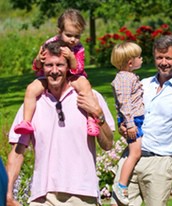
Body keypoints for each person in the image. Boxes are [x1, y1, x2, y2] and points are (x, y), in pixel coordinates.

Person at [5, 40, 115, 205]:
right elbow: (17, 151)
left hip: (81, 194)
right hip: (42, 196)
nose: (54, 71)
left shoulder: (89, 97)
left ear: (68, 67)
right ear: (43, 67)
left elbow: (108, 144)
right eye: (49, 65)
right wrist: (7, 194)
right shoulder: (32, 104)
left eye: (60, 65)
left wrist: (98, 114)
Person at [110, 35, 172, 206]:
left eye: (168, 58)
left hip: (159, 164)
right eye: (159, 58)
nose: (163, 62)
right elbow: (125, 108)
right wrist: (122, 126)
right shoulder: (142, 84)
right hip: (132, 157)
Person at [13, 8, 100, 137]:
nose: (73, 40)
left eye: (77, 36)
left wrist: (71, 57)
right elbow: (37, 67)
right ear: (60, 31)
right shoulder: (49, 44)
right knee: (31, 89)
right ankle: (26, 122)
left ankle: (91, 119)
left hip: (73, 76)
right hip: (49, 77)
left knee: (85, 86)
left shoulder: (78, 48)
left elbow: (78, 69)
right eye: (69, 35)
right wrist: (38, 59)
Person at [110, 42, 145, 205]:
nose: (142, 59)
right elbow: (124, 102)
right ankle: (121, 185)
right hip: (133, 120)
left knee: (135, 152)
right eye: (139, 57)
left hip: (134, 119)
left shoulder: (127, 77)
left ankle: (121, 182)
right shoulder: (124, 79)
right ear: (130, 62)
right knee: (135, 153)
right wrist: (130, 124)